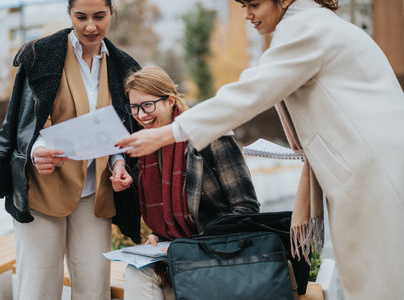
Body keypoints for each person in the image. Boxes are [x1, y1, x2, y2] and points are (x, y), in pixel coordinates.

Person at [117, 0, 404, 299]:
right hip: (371, 168)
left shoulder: (306, 28)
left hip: (373, 172)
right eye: (242, 5)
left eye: (254, 3)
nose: (246, 15)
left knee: (377, 283)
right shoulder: (308, 26)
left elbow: (249, 93)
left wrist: (171, 132)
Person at [0, 0, 141, 299]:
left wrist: (119, 163)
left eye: (99, 16)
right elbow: (25, 119)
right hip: (43, 190)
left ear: (112, 12)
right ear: (69, 14)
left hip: (96, 193)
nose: (90, 26)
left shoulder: (124, 66)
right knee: (38, 285)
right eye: (80, 17)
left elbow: (119, 129)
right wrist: (38, 150)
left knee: (94, 287)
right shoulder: (41, 55)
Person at [121, 66, 260, 300]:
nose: (141, 114)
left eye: (147, 105)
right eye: (134, 107)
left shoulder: (210, 136)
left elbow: (246, 209)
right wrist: (159, 237)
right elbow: (167, 218)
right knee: (135, 272)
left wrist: (197, 248)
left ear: (170, 101)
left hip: (218, 253)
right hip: (175, 254)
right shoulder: (146, 150)